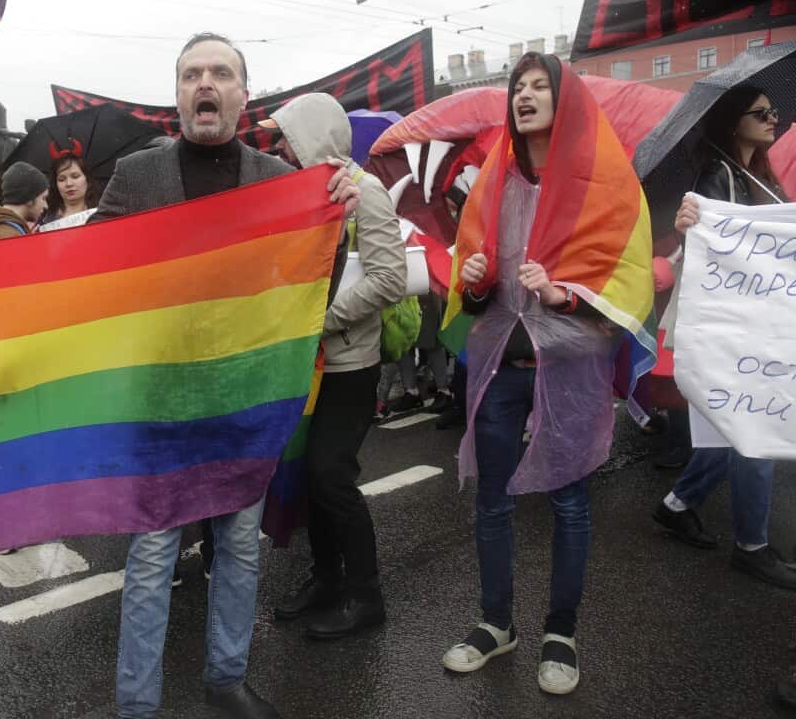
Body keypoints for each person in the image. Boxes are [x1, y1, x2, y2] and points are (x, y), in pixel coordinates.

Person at [92, 33, 360, 719]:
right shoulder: (136, 177)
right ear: (178, 95)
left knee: (239, 548)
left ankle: (226, 681)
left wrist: (334, 225)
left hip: (244, 401)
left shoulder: (277, 180)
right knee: (153, 558)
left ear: (243, 94)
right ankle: (135, 706)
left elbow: (309, 295)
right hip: (160, 404)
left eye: (219, 73)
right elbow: (91, 277)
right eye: (191, 74)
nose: (204, 83)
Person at [439, 52, 653, 696]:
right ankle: (495, 623)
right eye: (518, 86)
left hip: (571, 367)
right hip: (502, 366)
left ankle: (561, 633)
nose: (524, 95)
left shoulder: (605, 185)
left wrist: (565, 295)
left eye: (540, 86)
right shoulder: (494, 182)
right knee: (492, 500)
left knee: (570, 502)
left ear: (568, 101)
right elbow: (474, 290)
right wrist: (476, 280)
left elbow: (627, 281)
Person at [261, 92, 407, 639]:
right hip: (308, 363)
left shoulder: (365, 193)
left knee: (330, 474)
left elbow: (390, 280)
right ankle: (326, 579)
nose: (280, 148)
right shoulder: (304, 194)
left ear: (313, 136)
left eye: (287, 137)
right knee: (308, 475)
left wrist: (320, 321)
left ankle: (367, 596)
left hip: (350, 363)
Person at [650, 85, 794, 590]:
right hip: (731, 330)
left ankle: (676, 505)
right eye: (761, 113)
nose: (773, 119)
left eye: (774, 111)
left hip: (755, 325)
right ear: (734, 122)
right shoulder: (717, 175)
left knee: (728, 428)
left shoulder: (760, 178)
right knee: (754, 430)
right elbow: (709, 250)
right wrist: (687, 226)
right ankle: (752, 547)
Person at [40, 154, 101, 228]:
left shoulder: (102, 214)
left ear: (87, 179)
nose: (69, 184)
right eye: (61, 179)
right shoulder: (43, 221)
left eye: (75, 176)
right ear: (55, 185)